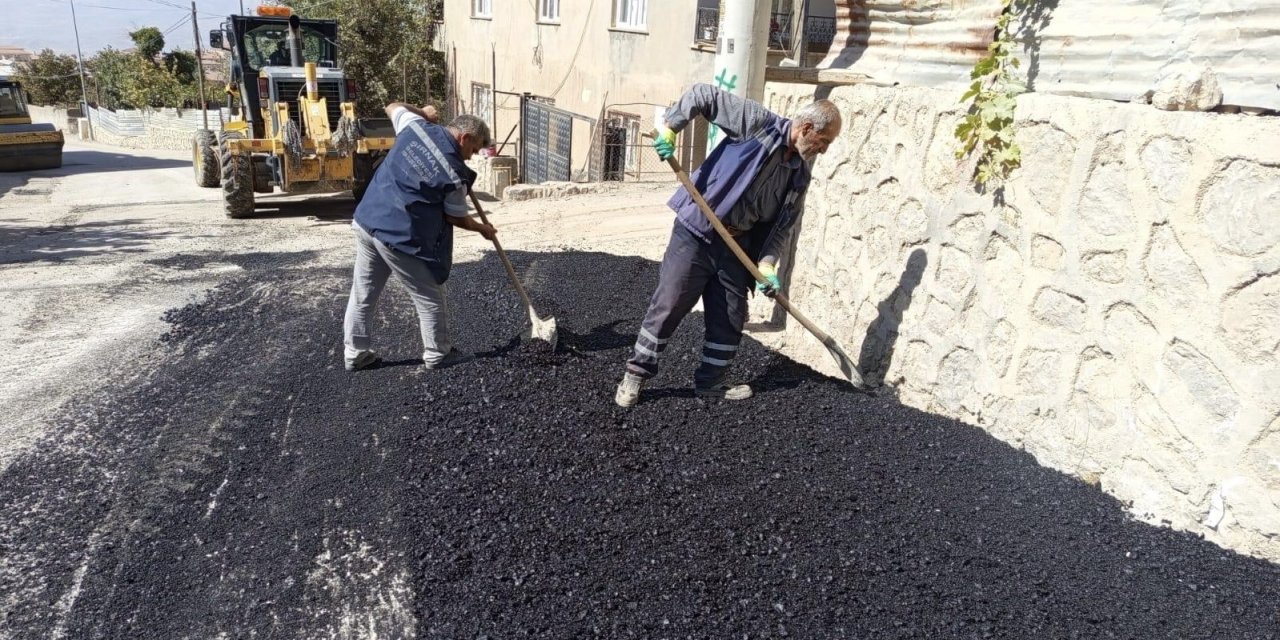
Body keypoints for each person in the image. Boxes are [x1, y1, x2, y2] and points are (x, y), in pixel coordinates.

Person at [614, 83, 842, 407]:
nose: (824, 150)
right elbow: (703, 95)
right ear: (806, 128)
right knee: (669, 304)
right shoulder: (757, 123)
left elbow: (782, 227)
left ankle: (710, 383)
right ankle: (635, 376)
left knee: (731, 316)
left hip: (736, 245)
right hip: (696, 232)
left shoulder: (798, 177)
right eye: (824, 141)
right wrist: (670, 127)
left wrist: (767, 264)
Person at [342, 103, 496, 371]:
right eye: (473, 150)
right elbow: (456, 218)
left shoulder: (414, 126)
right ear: (464, 137)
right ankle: (438, 354)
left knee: (363, 293)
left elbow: (392, 106)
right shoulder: (454, 174)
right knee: (429, 295)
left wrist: (423, 113)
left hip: (367, 221)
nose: (471, 158)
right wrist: (482, 228)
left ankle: (355, 353)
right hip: (399, 236)